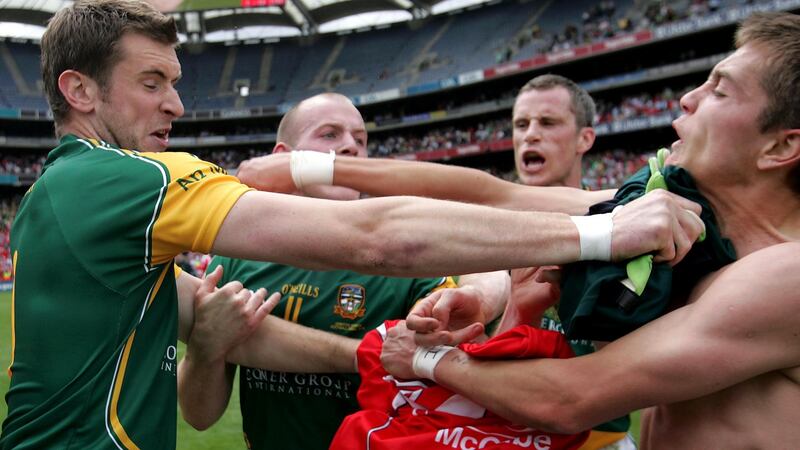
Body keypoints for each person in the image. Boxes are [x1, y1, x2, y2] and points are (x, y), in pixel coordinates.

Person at [0, 1, 703, 448]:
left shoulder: (57, 194)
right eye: (152, 82)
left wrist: (368, 352)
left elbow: (220, 320)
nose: (178, 106)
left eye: (174, 81)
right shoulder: (125, 180)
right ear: (80, 90)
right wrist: (606, 232)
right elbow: (378, 237)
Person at [379, 11, 800, 448]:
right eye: (521, 125)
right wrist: (518, 305)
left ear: (781, 145)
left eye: (720, 90)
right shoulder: (707, 245)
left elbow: (571, 398)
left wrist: (429, 359)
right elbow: (492, 195)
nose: (687, 99)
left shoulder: (786, 275)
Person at [177, 93, 510, 450]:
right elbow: (200, 417)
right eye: (330, 135)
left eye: (360, 139)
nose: (350, 147)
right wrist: (203, 350)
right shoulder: (238, 257)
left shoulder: (406, 255)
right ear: (282, 158)